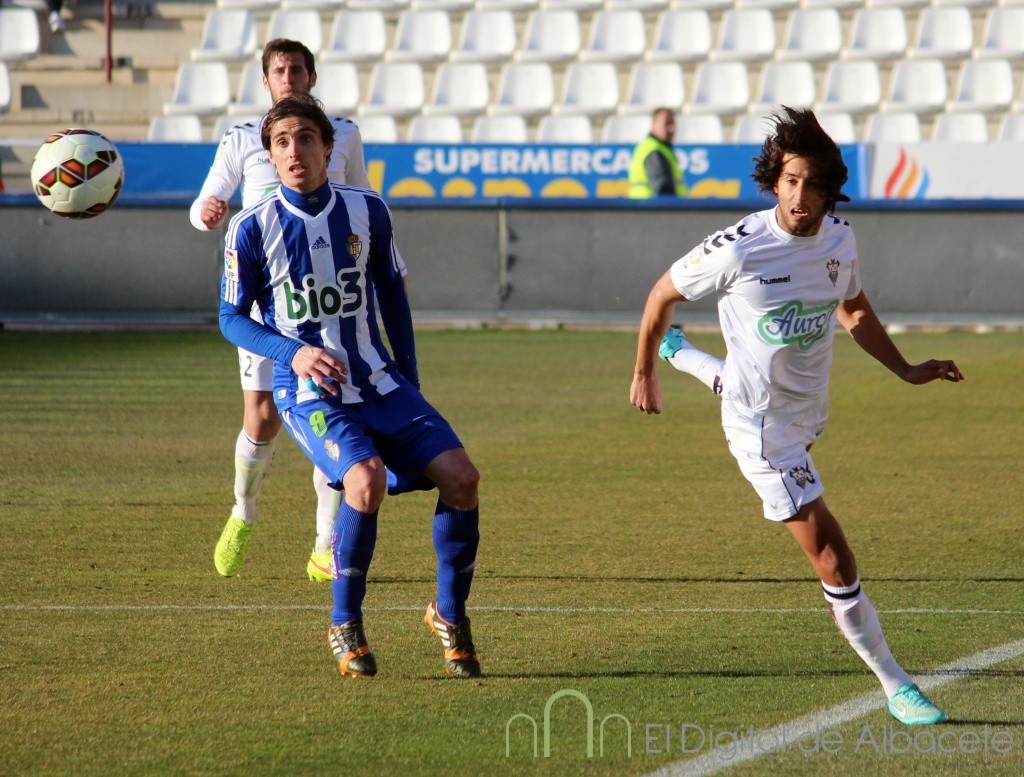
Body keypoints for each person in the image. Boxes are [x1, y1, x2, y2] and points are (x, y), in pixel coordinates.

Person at [630, 107, 963, 725]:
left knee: (746, 377)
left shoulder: (839, 237)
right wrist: (644, 368)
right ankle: (896, 684)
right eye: (789, 181)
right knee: (834, 557)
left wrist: (908, 368)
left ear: (831, 188)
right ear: (773, 182)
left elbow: (854, 310)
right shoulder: (741, 248)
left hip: (805, 409)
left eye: (811, 183)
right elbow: (661, 294)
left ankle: (693, 359)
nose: (799, 196)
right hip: (763, 434)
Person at [219, 94, 482, 679]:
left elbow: (392, 295)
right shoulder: (251, 227)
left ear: (327, 147)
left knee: (463, 479)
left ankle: (448, 615)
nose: (295, 151)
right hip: (309, 392)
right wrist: (296, 352)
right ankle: (345, 622)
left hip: (382, 381)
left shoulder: (369, 211)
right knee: (362, 483)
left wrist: (411, 381)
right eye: (282, 142)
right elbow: (230, 318)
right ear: (269, 153)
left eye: (305, 139)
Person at [191, 39, 404, 583]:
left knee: (333, 415)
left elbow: (359, 201)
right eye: (278, 70)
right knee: (261, 419)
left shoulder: (344, 135)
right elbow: (207, 199)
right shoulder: (244, 139)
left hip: (327, 304)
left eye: (296, 69)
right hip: (268, 307)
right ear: (266, 81)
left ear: (311, 75)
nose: (288, 77)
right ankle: (243, 510)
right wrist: (207, 211)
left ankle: (324, 542)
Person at [628, 107, 687, 199]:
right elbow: (662, 188)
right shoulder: (653, 150)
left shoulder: (657, 147)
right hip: (651, 210)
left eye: (673, 123)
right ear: (654, 125)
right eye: (667, 123)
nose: (672, 129)